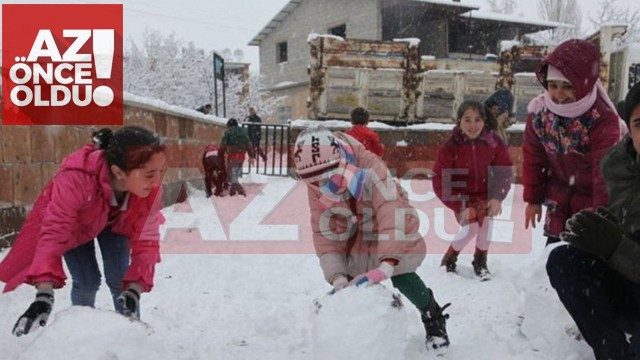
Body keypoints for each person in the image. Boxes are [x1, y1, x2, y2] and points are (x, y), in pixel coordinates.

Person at [294, 126, 451, 352]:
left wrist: (388, 263)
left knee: (402, 272)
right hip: (352, 232)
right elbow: (323, 232)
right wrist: (337, 276)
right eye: (314, 181)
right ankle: (350, 335)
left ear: (341, 162)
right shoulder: (317, 182)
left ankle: (433, 316)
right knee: (349, 284)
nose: (322, 185)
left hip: (391, 223)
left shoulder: (370, 166)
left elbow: (390, 210)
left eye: (328, 176)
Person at [0, 126, 166, 336]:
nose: (157, 181)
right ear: (117, 172)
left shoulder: (147, 189)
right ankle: (80, 335)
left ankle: (131, 336)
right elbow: (54, 232)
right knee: (87, 282)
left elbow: (147, 243)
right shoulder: (76, 178)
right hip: (78, 225)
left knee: (120, 279)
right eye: (150, 174)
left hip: (115, 222)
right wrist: (44, 295)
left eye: (160, 171)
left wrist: (135, 290)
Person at [547, 81, 640, 359]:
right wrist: (597, 238)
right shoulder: (620, 170)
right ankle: (613, 353)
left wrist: (615, 246)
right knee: (565, 261)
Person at [522, 39, 625, 245]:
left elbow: (605, 173)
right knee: (554, 262)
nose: (559, 95)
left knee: (581, 267)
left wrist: (601, 217)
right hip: (559, 202)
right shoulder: (540, 114)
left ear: (583, 84)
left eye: (567, 86)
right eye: (553, 85)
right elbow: (534, 158)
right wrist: (533, 199)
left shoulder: (602, 119)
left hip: (592, 206)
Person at [432, 100, 513, 280]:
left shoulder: (494, 143)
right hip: (462, 197)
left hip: (486, 195)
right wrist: (459, 205)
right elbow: (440, 179)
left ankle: (480, 262)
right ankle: (449, 258)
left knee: (486, 226)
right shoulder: (451, 147)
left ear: (484, 121)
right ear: (459, 121)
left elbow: (504, 171)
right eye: (467, 120)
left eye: (477, 120)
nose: (472, 125)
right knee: (472, 227)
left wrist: (497, 198)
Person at [221, 118, 254, 196]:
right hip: (242, 156)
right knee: (234, 174)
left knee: (230, 175)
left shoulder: (228, 132)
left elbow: (223, 145)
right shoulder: (243, 132)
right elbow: (249, 145)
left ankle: (240, 190)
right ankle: (233, 190)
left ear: (229, 125)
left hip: (233, 156)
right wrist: (251, 155)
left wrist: (221, 152)